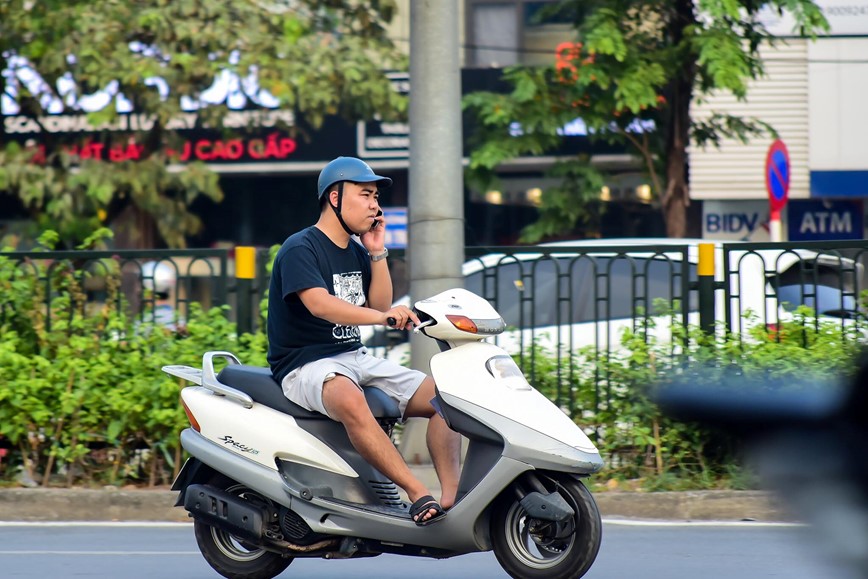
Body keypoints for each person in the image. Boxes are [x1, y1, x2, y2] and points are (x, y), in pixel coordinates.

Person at [267, 156, 461, 526]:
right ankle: (417, 493)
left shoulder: (357, 250)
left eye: (376, 196)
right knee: (349, 399)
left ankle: (449, 499)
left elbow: (380, 304)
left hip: (352, 355)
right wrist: (381, 317)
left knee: (446, 398)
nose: (375, 204)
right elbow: (321, 305)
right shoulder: (300, 248)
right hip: (306, 364)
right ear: (335, 198)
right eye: (366, 194)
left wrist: (376, 251)